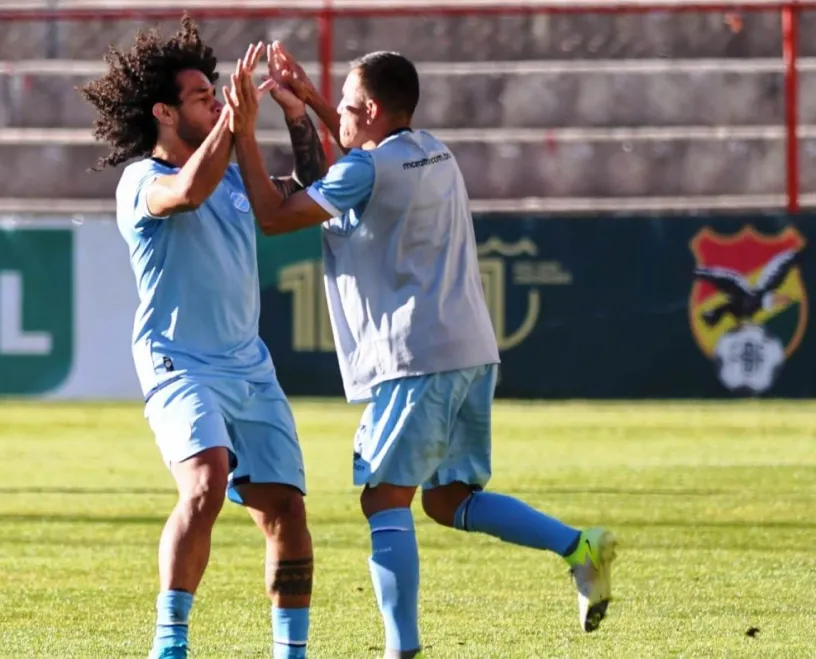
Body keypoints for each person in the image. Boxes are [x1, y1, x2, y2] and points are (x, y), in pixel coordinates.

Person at [223, 44, 618, 658]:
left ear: (373, 109)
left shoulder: (366, 171)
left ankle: (400, 650)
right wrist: (312, 102)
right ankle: (579, 548)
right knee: (447, 499)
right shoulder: (433, 148)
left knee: (383, 498)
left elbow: (275, 218)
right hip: (471, 350)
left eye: (351, 107)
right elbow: (362, 147)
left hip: (415, 355)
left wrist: (247, 129)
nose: (343, 117)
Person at [79, 20, 329, 659]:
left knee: (286, 513)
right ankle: (171, 644)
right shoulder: (141, 181)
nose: (217, 101)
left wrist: (296, 116)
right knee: (206, 482)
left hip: (247, 364)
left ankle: (291, 652)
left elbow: (311, 190)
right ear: (163, 112)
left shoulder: (237, 171)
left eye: (217, 94)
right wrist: (235, 125)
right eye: (202, 97)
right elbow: (187, 193)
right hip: (178, 362)